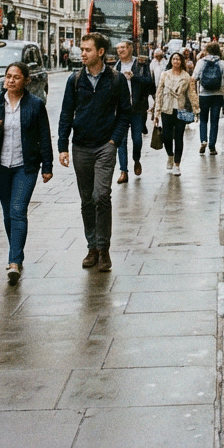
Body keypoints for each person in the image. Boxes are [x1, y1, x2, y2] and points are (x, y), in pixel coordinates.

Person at [58, 32, 131, 272]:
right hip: (80, 146)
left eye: (87, 49)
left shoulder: (116, 80)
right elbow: (66, 113)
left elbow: (125, 114)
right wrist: (62, 146)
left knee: (102, 196)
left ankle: (104, 249)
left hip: (104, 147)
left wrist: (114, 142)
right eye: (82, 49)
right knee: (87, 199)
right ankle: (92, 247)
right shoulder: (75, 79)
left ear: (100, 52)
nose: (82, 53)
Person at [0, 61, 53, 284]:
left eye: (16, 77)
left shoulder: (35, 105)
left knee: (18, 210)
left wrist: (47, 166)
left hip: (25, 166)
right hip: (0, 166)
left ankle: (14, 261)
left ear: (26, 81)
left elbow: (44, 136)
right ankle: (17, 255)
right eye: (8, 76)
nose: (10, 80)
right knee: (8, 214)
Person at [112, 39, 154, 183]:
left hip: (137, 108)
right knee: (121, 141)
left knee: (137, 139)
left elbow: (150, 84)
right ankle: (124, 171)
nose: (120, 51)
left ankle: (136, 159)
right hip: (121, 110)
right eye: (118, 48)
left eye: (123, 47)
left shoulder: (141, 64)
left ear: (130, 48)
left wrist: (134, 78)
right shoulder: (114, 67)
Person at [154, 51, 199, 175]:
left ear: (181, 61)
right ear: (171, 61)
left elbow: (191, 93)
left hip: (181, 109)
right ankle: (170, 155)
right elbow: (159, 93)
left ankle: (177, 164)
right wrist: (156, 112)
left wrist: (196, 109)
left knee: (179, 137)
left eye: (178, 59)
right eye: (174, 59)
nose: (176, 61)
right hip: (166, 109)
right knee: (167, 137)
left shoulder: (186, 77)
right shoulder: (165, 75)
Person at [193, 41, 224, 155]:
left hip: (204, 95)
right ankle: (212, 146)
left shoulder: (201, 62)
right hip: (218, 95)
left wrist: (194, 93)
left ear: (207, 51)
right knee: (214, 121)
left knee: (203, 119)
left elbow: (194, 78)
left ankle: (203, 140)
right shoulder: (222, 63)